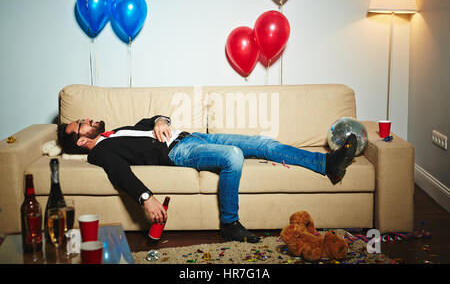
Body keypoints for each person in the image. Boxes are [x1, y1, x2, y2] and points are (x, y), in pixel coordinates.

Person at [58, 115, 357, 243]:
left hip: (193, 136)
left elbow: (149, 121)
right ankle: (230, 223)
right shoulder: (101, 151)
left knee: (264, 143)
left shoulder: (115, 131)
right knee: (232, 157)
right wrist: (146, 198)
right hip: (179, 151)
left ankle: (326, 164)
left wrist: (162, 121)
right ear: (82, 142)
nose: (87, 120)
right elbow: (119, 172)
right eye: (81, 125)